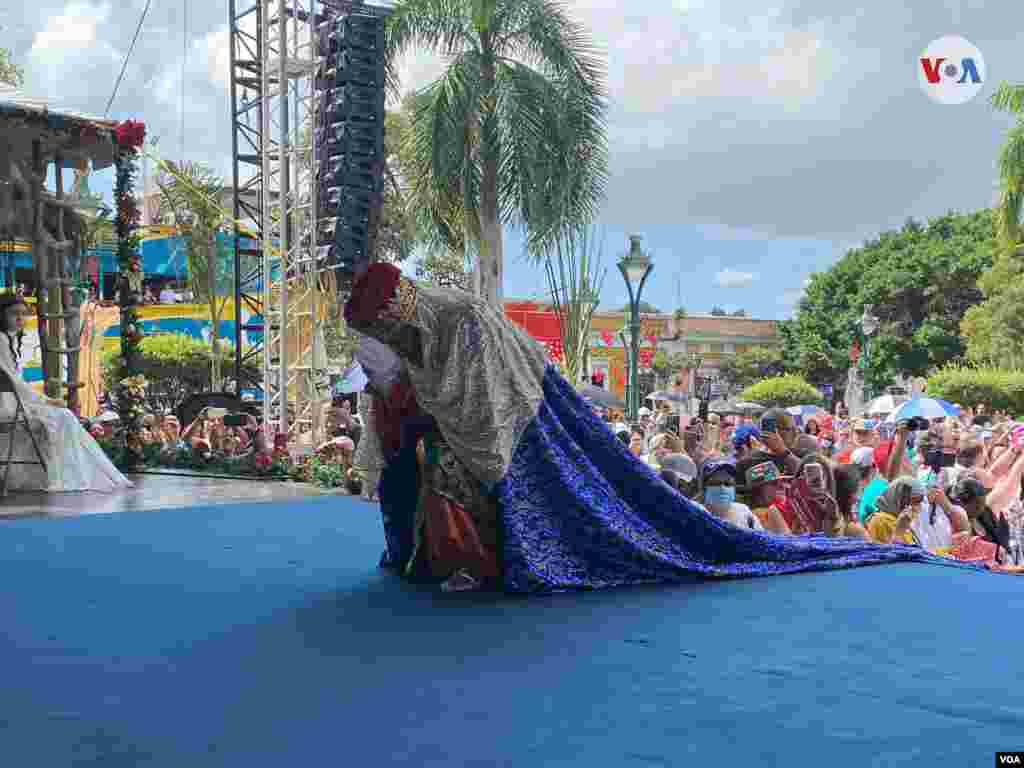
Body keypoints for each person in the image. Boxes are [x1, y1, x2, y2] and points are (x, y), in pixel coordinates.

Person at [343, 263, 964, 594]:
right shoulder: (411, 335)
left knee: (605, 501)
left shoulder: (462, 313)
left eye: (386, 324)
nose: (389, 338)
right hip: (480, 428)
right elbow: (429, 394)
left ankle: (477, 564)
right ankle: (454, 561)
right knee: (438, 468)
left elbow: (481, 397)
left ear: (401, 303)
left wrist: (435, 416)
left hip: (528, 413)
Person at [0, 294, 132, 493]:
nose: (20, 319)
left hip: (15, 402)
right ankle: (70, 475)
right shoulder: (1, 340)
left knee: (65, 416)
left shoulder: (9, 340)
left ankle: (70, 474)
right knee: (64, 417)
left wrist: (44, 402)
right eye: (13, 314)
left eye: (23, 314)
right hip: (8, 406)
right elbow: (13, 382)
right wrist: (46, 401)